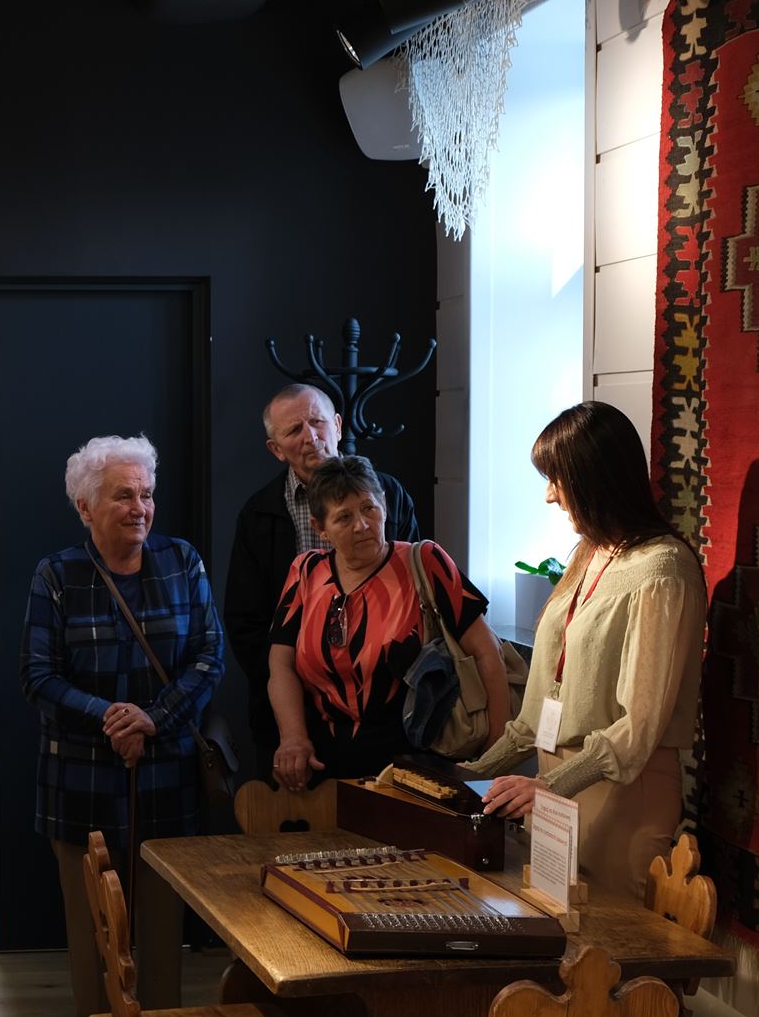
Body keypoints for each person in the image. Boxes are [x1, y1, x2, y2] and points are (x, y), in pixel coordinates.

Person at [19, 434, 224, 1017]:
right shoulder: (57, 574)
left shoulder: (182, 560)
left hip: (166, 768)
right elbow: (38, 676)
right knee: (90, 915)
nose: (140, 507)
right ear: (85, 507)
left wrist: (152, 719)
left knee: (161, 914)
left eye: (147, 494)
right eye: (123, 496)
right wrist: (111, 717)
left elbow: (210, 655)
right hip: (79, 773)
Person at [465, 401, 706, 896]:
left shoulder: (663, 569)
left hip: (620, 798)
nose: (550, 495)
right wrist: (465, 775)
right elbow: (536, 714)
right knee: (555, 928)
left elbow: (639, 727)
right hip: (554, 789)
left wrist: (547, 787)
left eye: (557, 478)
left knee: (612, 938)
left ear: (595, 477)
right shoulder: (589, 553)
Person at [269, 455, 510, 789]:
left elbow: (488, 653)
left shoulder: (424, 562)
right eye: (344, 517)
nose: (362, 525)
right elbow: (280, 664)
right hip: (323, 767)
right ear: (320, 528)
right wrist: (293, 737)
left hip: (416, 771)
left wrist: (495, 760)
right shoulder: (306, 572)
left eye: (369, 508)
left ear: (384, 504)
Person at [224, 383, 421, 770]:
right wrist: (295, 692)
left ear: (337, 425)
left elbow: (415, 592)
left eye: (317, 422)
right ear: (276, 449)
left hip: (386, 712)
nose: (310, 437)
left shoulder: (388, 494)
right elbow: (246, 622)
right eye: (294, 430)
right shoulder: (259, 514)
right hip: (292, 714)